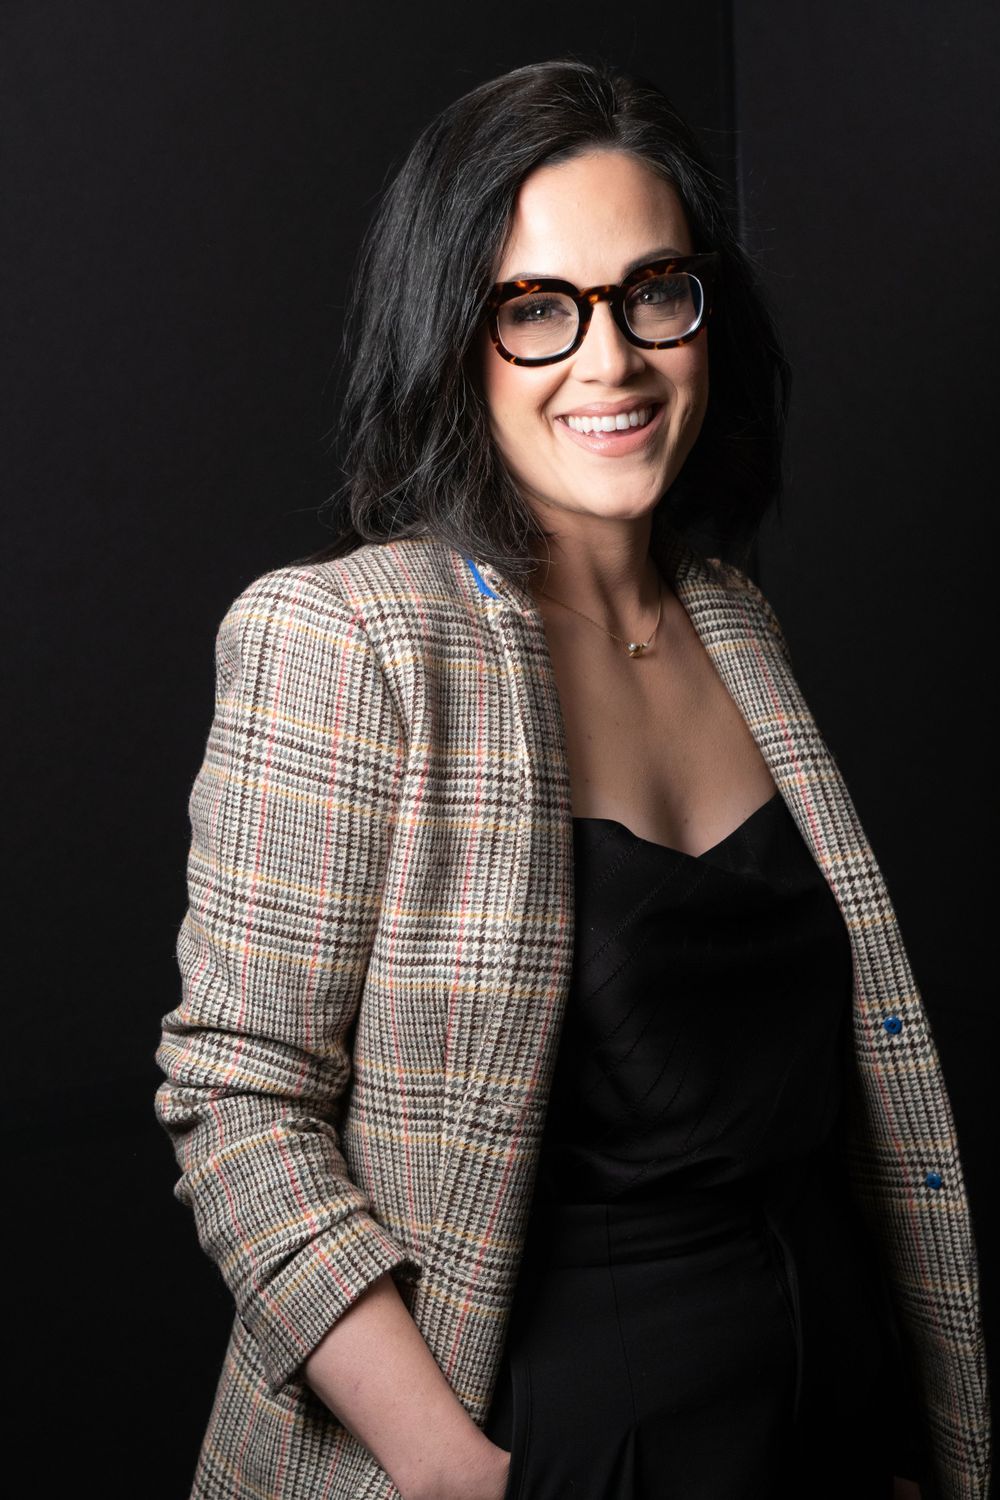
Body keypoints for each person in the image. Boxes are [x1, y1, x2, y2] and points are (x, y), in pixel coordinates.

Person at [153, 58, 990, 1500]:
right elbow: (238, 1102)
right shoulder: (349, 639)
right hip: (543, 1458)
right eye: (538, 309)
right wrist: (450, 1467)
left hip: (824, 1432)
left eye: (654, 290)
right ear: (453, 341)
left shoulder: (736, 622)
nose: (610, 362)